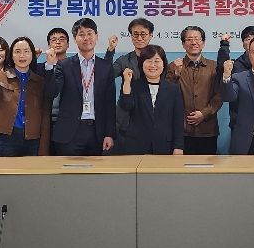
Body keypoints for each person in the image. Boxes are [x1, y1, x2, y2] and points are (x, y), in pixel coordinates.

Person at [48, 18, 116, 156]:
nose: (86, 38)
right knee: (67, 170)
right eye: (81, 34)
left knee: (97, 170)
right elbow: (52, 92)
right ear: (75, 39)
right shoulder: (64, 65)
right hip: (70, 132)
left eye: (89, 33)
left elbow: (110, 103)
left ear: (96, 36)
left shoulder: (106, 67)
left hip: (97, 132)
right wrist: (50, 66)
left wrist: (109, 134)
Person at [0, 36, 51, 156]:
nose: (22, 56)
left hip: (32, 138)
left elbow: (44, 113)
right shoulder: (0, 76)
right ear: (11, 56)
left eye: (26, 51)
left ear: (32, 55)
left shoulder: (39, 81)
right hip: (6, 137)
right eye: (17, 51)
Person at [164, 26, 223, 155]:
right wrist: (176, 75)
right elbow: (167, 95)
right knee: (180, 166)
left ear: (203, 43)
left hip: (208, 130)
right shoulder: (173, 66)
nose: (193, 42)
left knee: (207, 166)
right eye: (189, 39)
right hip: (181, 130)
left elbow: (219, 95)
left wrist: (204, 113)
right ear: (183, 44)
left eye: (197, 39)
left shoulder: (214, 67)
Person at [119, 45, 184, 155]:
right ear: (142, 64)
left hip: (165, 146)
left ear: (163, 64)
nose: (152, 65)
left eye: (157, 61)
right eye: (148, 61)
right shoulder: (133, 86)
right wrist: (126, 82)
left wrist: (178, 146)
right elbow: (126, 106)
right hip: (137, 146)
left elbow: (178, 120)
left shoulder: (173, 89)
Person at [104, 18, 155, 152]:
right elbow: (106, 75)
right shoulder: (124, 60)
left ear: (150, 35)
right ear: (131, 36)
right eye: (135, 34)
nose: (139, 38)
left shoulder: (157, 60)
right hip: (127, 118)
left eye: (143, 34)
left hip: (150, 116)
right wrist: (110, 51)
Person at [40, 27, 70, 154]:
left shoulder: (75, 67)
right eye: (54, 40)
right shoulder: (41, 68)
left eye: (62, 39)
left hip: (68, 122)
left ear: (68, 45)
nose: (58, 42)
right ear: (49, 45)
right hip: (45, 122)